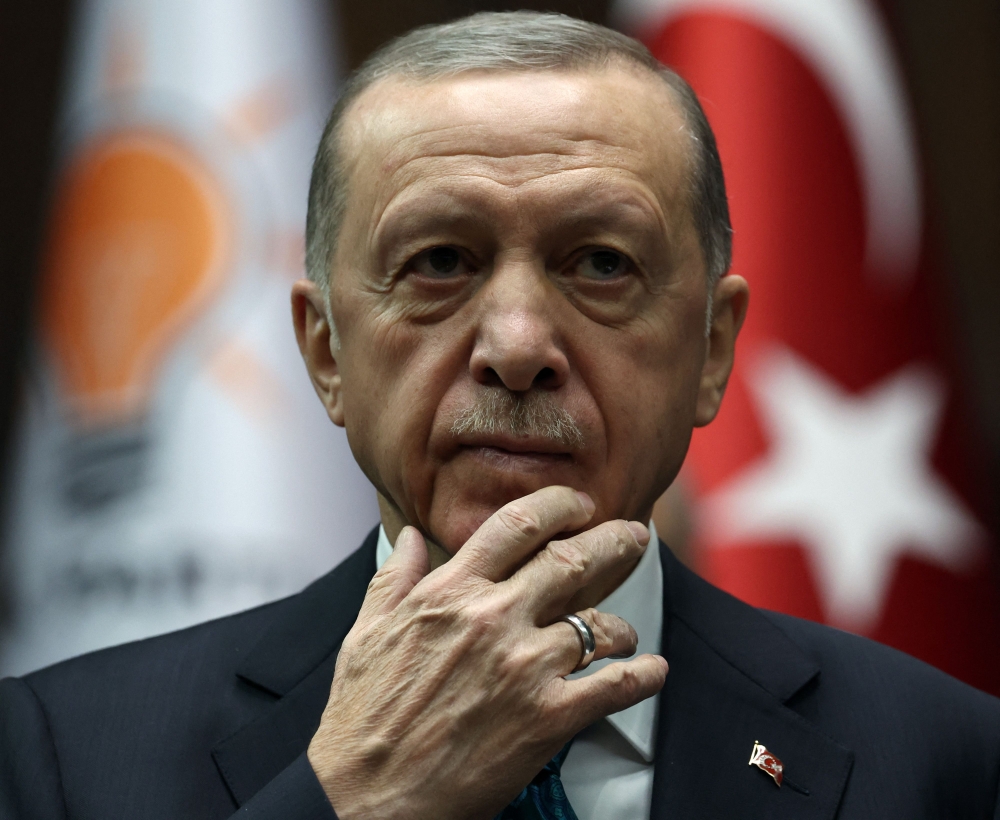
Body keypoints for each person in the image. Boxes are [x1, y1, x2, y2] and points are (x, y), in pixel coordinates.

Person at [2, 11, 999, 820]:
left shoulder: (944, 761)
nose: (517, 346)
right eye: (439, 262)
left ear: (710, 349)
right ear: (325, 351)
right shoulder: (56, 752)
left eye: (601, 264)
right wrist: (350, 803)